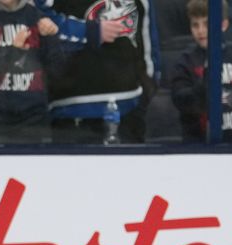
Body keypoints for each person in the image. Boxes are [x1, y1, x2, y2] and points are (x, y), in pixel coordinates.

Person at [38, 0, 161, 144]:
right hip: (71, 112)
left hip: (128, 111)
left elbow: (150, 49)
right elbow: (36, 16)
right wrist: (89, 31)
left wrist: (143, 97)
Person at [0, 0, 68, 144]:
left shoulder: (38, 19)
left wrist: (52, 37)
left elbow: (57, 71)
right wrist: (14, 51)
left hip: (33, 121)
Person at [170, 0, 232, 143]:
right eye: (195, 25)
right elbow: (181, 100)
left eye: (207, 24)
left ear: (224, 24)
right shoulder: (185, 62)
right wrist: (205, 85)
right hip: (198, 146)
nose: (200, 30)